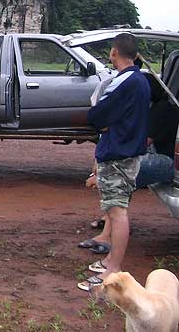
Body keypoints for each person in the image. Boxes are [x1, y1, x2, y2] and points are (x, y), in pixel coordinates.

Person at [78, 33, 151, 292]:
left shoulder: (123, 81)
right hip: (130, 151)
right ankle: (110, 260)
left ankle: (114, 268)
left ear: (114, 53)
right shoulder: (141, 80)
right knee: (113, 208)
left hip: (118, 153)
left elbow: (97, 114)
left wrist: (103, 122)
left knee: (117, 212)